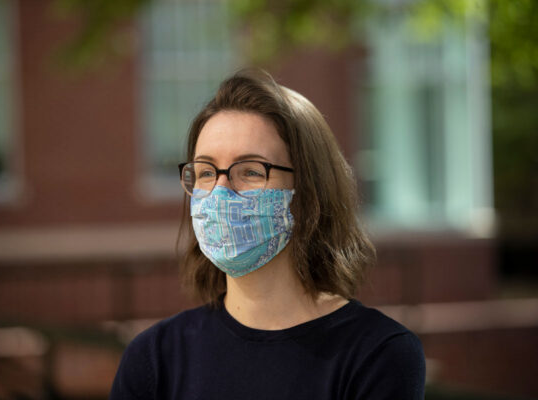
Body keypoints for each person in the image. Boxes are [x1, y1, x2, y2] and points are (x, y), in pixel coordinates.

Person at [110, 69, 426, 400]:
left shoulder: (377, 355)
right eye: (205, 172)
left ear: (307, 192)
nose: (220, 191)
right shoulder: (153, 359)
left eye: (250, 171)